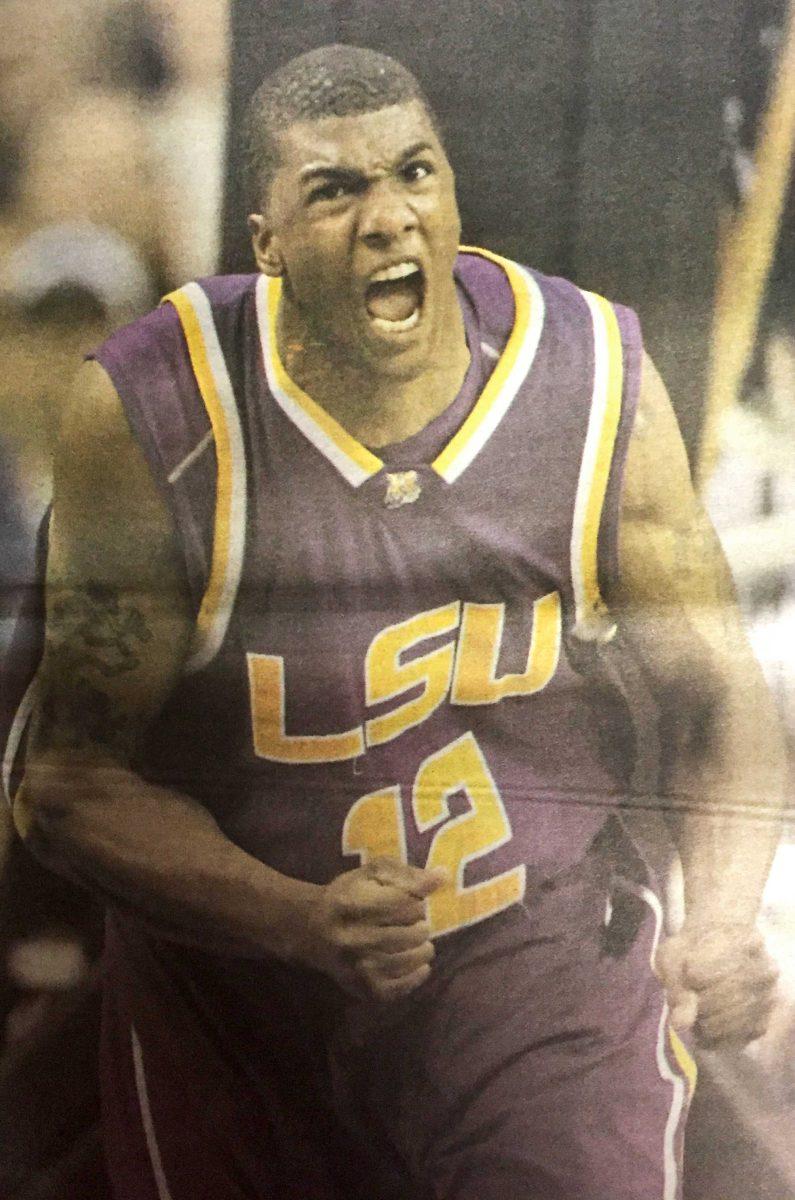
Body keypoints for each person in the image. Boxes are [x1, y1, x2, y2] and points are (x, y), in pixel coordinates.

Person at [7, 44, 785, 1200]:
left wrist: (722, 917)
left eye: (415, 175)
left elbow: (718, 689)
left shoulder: (589, 378)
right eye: (338, 190)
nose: (390, 220)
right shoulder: (159, 411)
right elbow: (66, 786)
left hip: (538, 960)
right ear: (264, 242)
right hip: (241, 996)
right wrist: (293, 917)